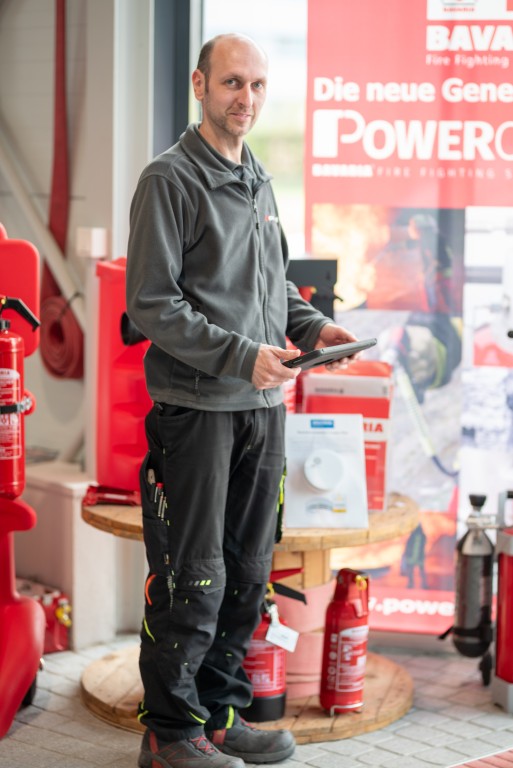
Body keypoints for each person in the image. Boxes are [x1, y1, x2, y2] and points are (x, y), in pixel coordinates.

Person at [126, 32, 357, 768]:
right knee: (193, 578)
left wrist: (313, 323)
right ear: (198, 84)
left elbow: (270, 285)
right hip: (197, 413)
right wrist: (239, 356)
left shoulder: (256, 175)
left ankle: (221, 715)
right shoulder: (170, 180)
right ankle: (169, 733)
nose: (246, 100)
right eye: (232, 84)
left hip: (263, 410)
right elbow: (151, 305)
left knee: (248, 572)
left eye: (257, 86)